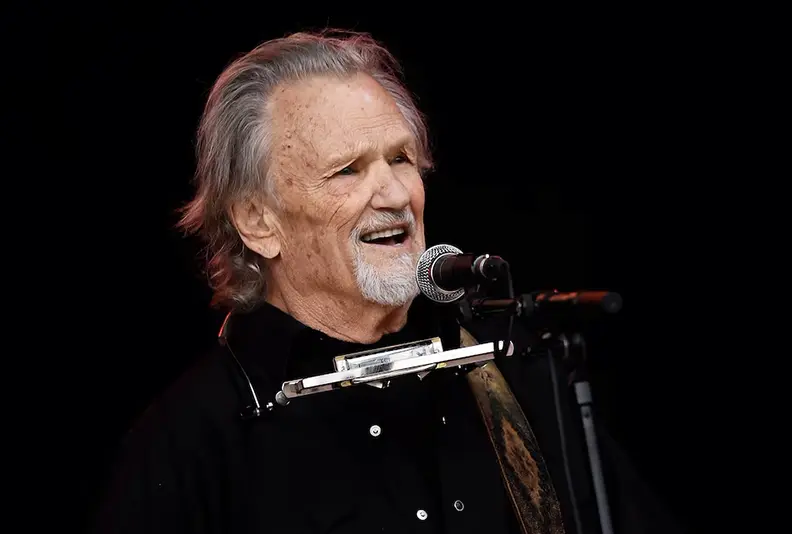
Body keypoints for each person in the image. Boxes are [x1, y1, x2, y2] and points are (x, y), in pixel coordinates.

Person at [93, 30, 683, 534]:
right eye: (347, 170)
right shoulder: (189, 444)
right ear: (257, 221)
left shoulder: (513, 368)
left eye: (400, 159)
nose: (397, 195)